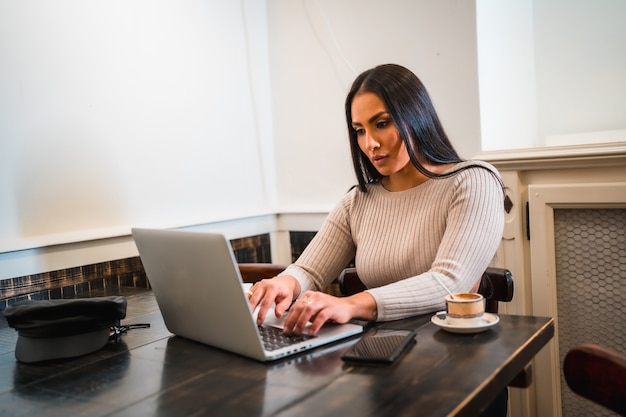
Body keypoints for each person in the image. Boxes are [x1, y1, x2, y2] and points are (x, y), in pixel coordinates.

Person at [248, 63, 504, 337]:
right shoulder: (358, 201)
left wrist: (351, 305)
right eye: (359, 130)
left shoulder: (473, 181)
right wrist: (286, 282)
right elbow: (309, 270)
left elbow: (450, 283)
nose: (370, 143)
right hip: (379, 348)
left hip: (449, 350)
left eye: (381, 124)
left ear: (416, 117)